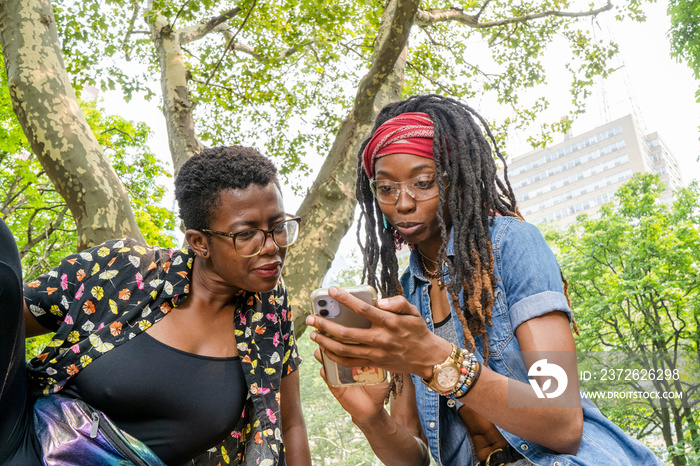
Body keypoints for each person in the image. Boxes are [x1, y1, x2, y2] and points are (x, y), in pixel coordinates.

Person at [306, 95, 663, 465]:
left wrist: (436, 360)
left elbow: (562, 421)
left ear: (457, 180)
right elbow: (412, 459)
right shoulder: (404, 294)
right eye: (385, 188)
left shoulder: (513, 246)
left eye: (423, 182)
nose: (403, 202)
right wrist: (370, 417)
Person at [0, 146, 312, 466]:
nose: (273, 246)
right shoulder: (124, 269)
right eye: (247, 234)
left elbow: (291, 424)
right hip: (23, 440)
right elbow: (9, 328)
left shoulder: (269, 313)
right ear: (199, 242)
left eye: (278, 226)